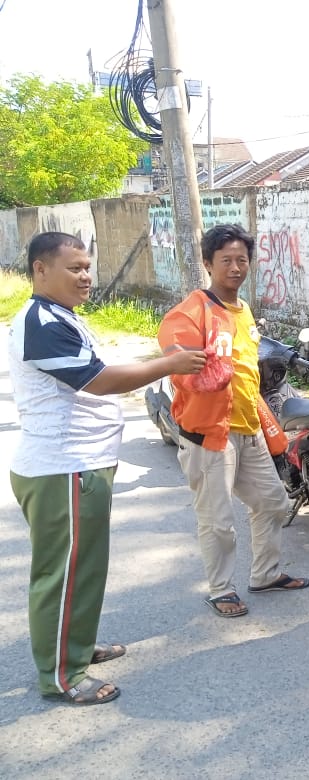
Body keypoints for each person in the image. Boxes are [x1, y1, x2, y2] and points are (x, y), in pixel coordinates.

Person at [9, 232, 206, 705]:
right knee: (63, 575)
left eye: (87, 266)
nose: (85, 276)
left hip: (80, 465)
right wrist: (170, 364)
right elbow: (97, 381)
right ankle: (61, 676)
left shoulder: (60, 316)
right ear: (40, 269)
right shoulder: (40, 320)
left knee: (85, 569)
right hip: (63, 468)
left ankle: (75, 648)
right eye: (74, 267)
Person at [158, 224, 309, 619]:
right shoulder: (189, 313)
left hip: (247, 427)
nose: (235, 267)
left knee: (274, 502)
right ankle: (221, 589)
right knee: (218, 521)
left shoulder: (243, 310)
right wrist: (197, 372)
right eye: (225, 259)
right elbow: (177, 362)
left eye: (242, 259)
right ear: (208, 263)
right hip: (209, 435)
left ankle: (265, 573)